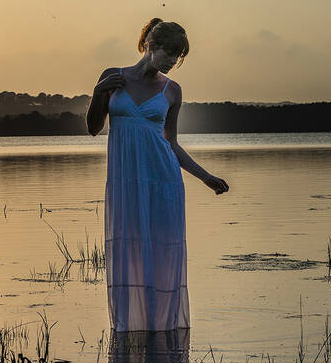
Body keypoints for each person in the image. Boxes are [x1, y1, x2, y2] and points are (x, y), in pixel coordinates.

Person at [86, 18, 229, 332]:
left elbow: (171, 143)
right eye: (170, 53)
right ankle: (129, 328)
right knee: (129, 252)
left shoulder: (172, 90)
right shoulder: (113, 78)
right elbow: (93, 128)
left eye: (178, 56)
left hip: (164, 183)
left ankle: (162, 333)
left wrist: (206, 177)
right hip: (126, 186)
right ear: (150, 45)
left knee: (162, 256)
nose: (172, 61)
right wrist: (99, 93)